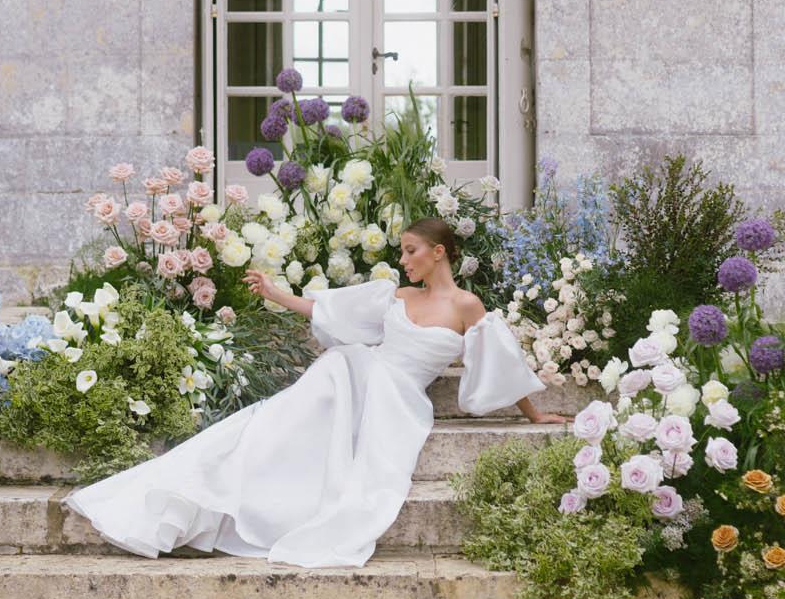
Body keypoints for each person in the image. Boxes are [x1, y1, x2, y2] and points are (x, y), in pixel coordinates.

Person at [62, 216, 569, 569]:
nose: (405, 260)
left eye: (411, 251)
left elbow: (501, 362)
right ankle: (203, 486)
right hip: (355, 372)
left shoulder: (467, 306)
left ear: (439, 253)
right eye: (401, 252)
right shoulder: (395, 294)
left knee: (342, 403)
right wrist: (275, 293)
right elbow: (331, 311)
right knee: (286, 407)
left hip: (398, 398)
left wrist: (533, 414)